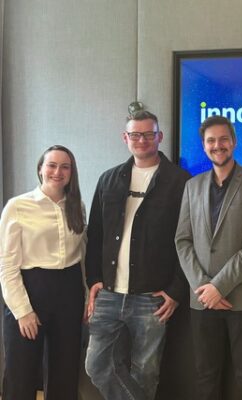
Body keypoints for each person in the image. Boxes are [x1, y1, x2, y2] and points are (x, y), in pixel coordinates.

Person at [84, 110, 190, 400]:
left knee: (146, 372)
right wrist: (93, 279)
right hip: (108, 293)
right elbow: (95, 234)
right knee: (97, 366)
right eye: (135, 134)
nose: (141, 140)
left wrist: (176, 290)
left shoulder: (180, 181)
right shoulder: (108, 179)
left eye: (148, 134)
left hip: (152, 297)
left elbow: (188, 241)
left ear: (159, 136)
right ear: (125, 138)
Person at [175, 115, 242, 400]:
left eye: (223, 139)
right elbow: (182, 240)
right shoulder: (192, 186)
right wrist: (204, 287)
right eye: (211, 141)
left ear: (234, 142)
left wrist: (219, 286)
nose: (218, 145)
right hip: (202, 299)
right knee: (205, 375)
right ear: (204, 146)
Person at [0, 145, 86, 400]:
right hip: (31, 289)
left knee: (65, 371)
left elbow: (82, 256)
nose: (58, 172)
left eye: (65, 167)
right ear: (40, 169)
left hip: (69, 291)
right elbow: (7, 265)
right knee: (22, 372)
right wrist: (22, 311)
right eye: (52, 165)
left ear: (71, 172)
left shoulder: (77, 206)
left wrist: (85, 298)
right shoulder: (17, 206)